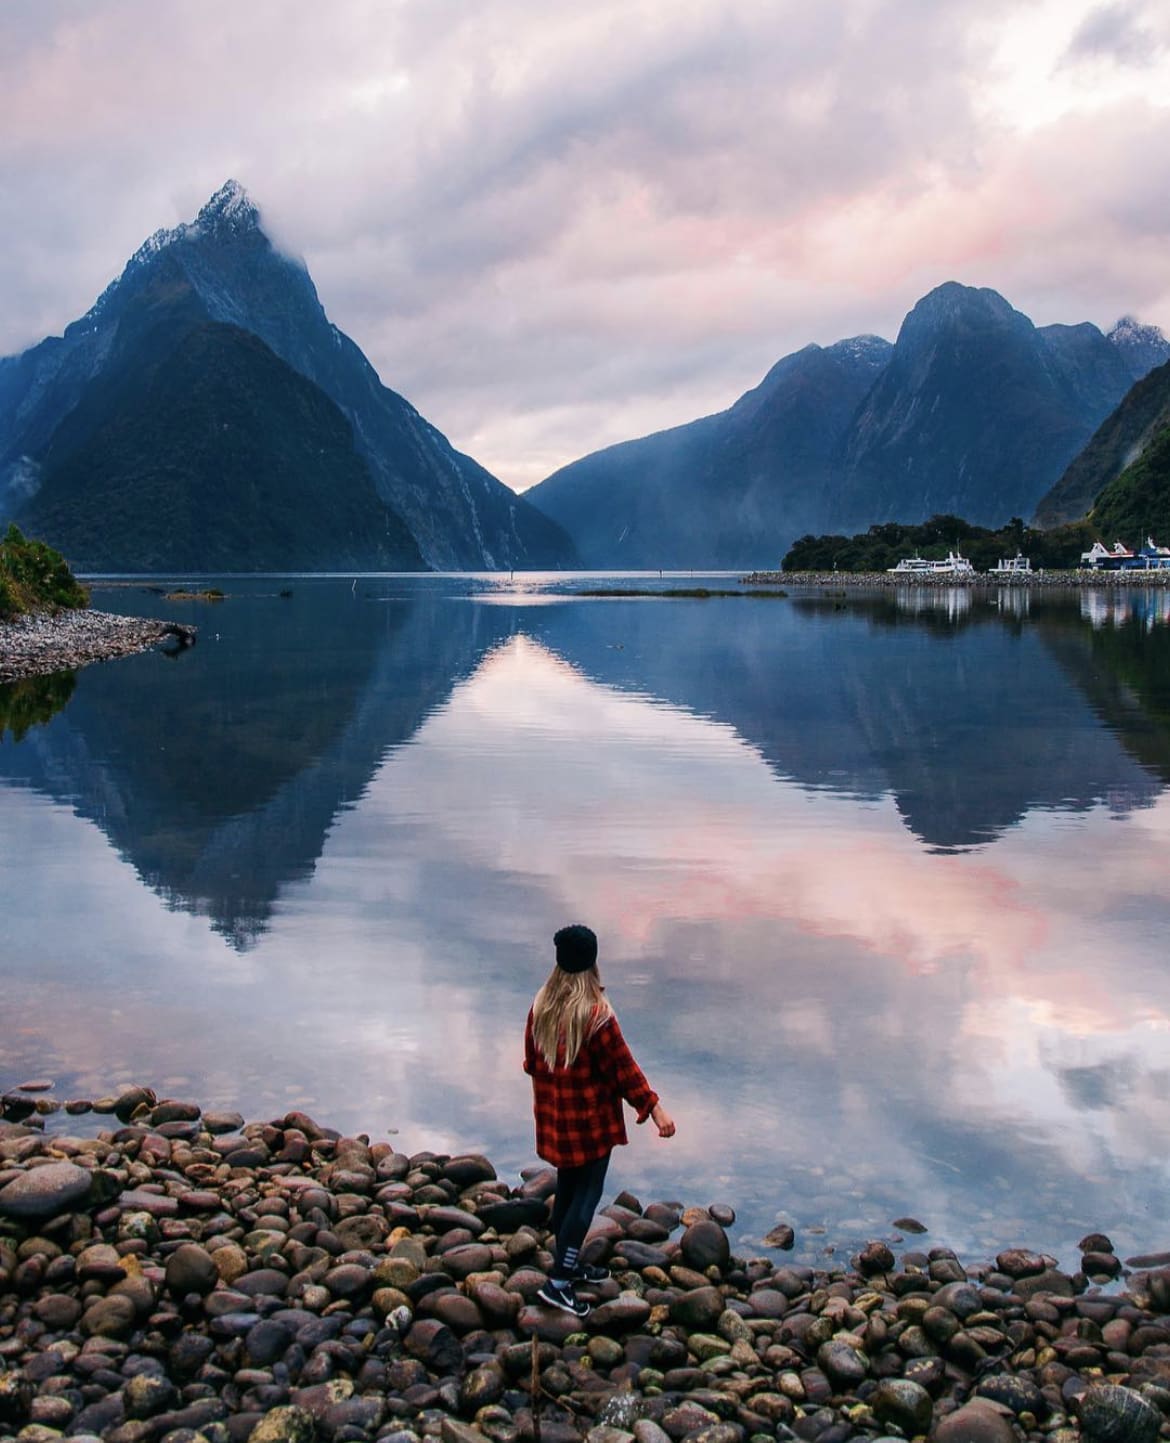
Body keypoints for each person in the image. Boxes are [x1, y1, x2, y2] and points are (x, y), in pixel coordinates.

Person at [523, 923, 676, 1317]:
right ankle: (558, 1282)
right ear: (593, 963)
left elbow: (531, 1064)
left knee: (569, 1193)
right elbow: (624, 1070)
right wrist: (654, 1108)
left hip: (556, 1122)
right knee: (585, 1199)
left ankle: (570, 1266)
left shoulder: (540, 1007)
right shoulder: (596, 1017)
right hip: (590, 1128)